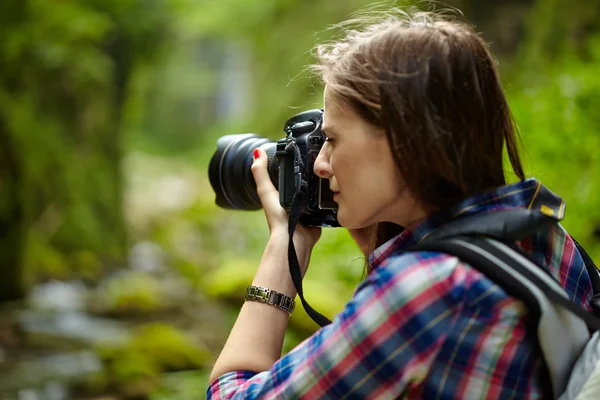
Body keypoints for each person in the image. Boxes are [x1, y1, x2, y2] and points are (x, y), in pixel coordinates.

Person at [206, 8, 593, 399]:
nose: (320, 163)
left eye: (333, 139)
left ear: (402, 141)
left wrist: (282, 250)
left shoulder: (425, 289)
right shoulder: (545, 234)